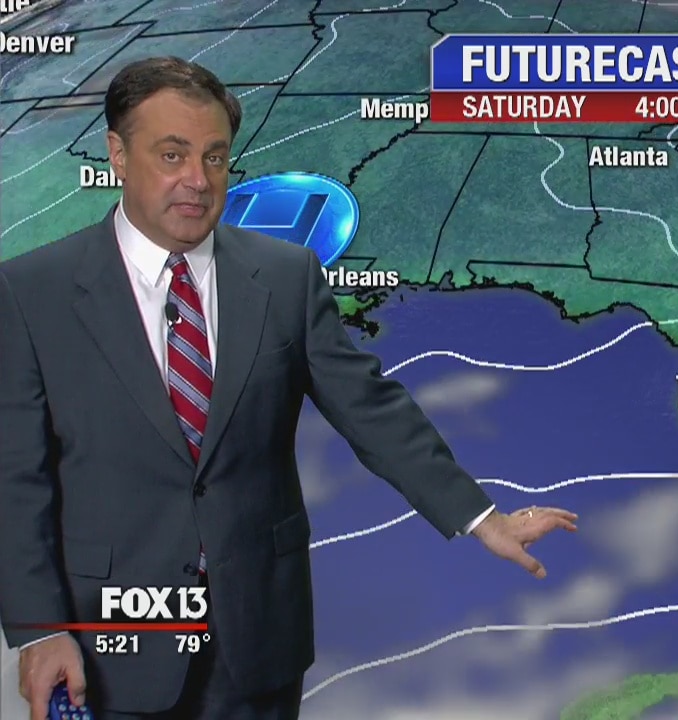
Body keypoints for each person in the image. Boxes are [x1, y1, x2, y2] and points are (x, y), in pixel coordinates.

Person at [0, 56, 577, 720]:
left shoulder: (285, 277)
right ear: (118, 155)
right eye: (172, 155)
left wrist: (482, 519)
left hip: (257, 644)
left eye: (215, 158)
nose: (198, 180)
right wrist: (40, 630)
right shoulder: (32, 292)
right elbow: (16, 481)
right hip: (110, 647)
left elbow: (372, 411)